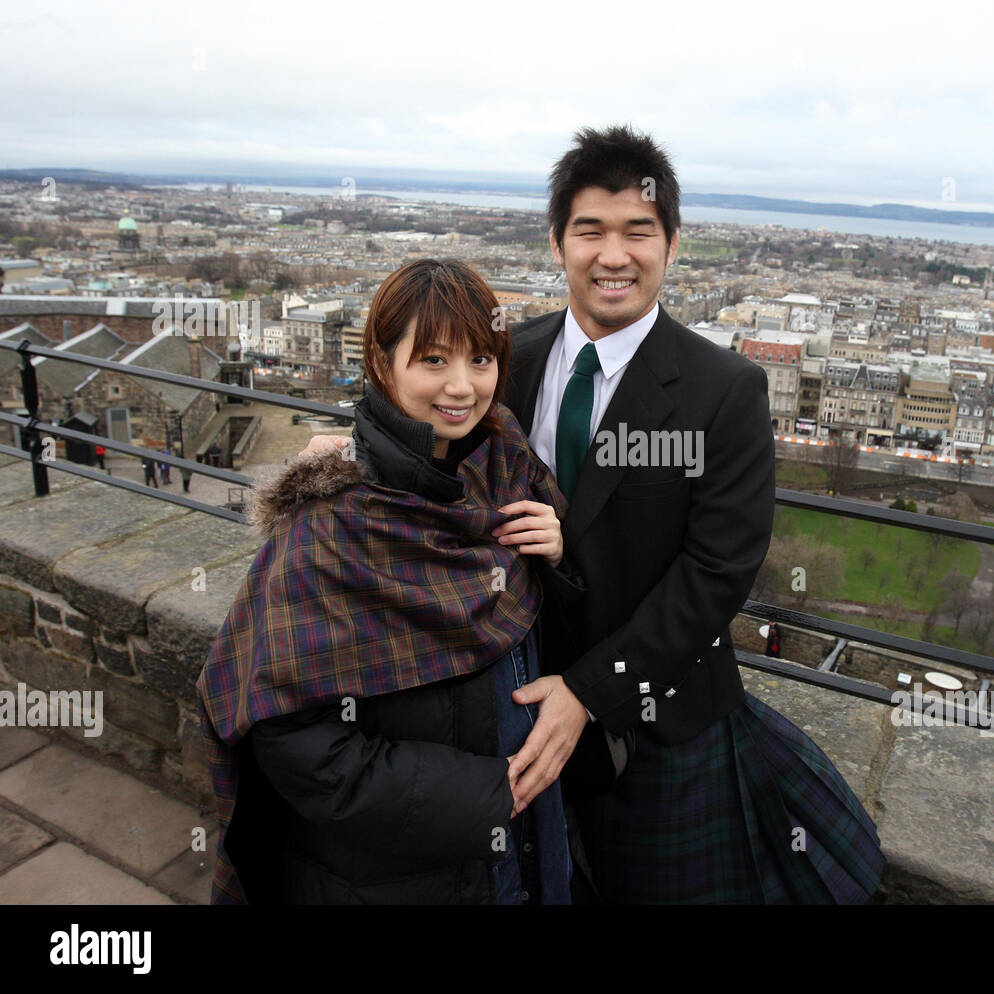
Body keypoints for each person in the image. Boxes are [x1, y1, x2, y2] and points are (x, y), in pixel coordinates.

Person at [501, 125, 885, 903]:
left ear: (672, 244)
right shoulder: (510, 358)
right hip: (519, 698)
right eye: (591, 231)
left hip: (653, 722)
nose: (615, 255)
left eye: (638, 231)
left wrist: (589, 692)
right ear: (556, 243)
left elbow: (716, 573)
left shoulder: (723, 391)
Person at [198, 259, 581, 904]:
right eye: (433, 360)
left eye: (481, 360)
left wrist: (560, 558)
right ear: (383, 363)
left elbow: (535, 634)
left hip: (522, 843)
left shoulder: (507, 466)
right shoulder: (328, 527)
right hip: (393, 874)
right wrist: (488, 793)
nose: (462, 386)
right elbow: (291, 739)